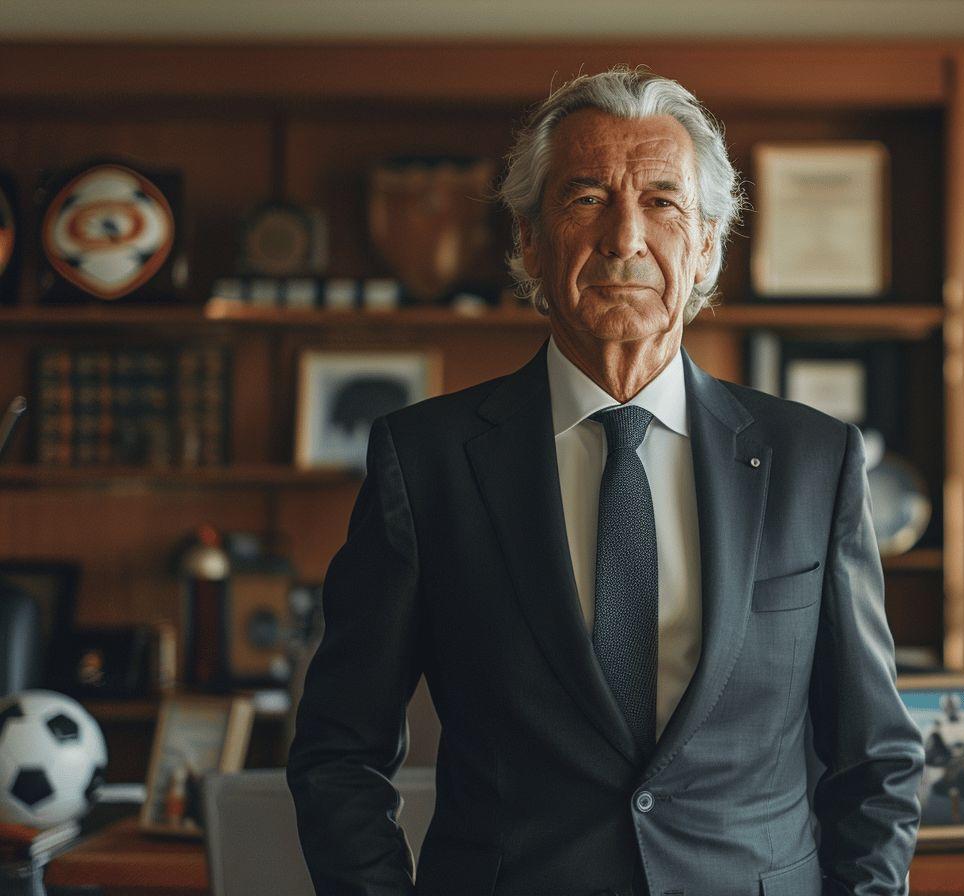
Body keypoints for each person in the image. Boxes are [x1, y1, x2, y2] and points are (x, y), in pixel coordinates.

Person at [286, 65, 924, 896]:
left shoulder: (814, 462)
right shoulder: (428, 461)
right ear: (528, 239)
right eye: (586, 198)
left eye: (662, 202)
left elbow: (876, 759)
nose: (625, 237)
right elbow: (338, 752)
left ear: (705, 247)